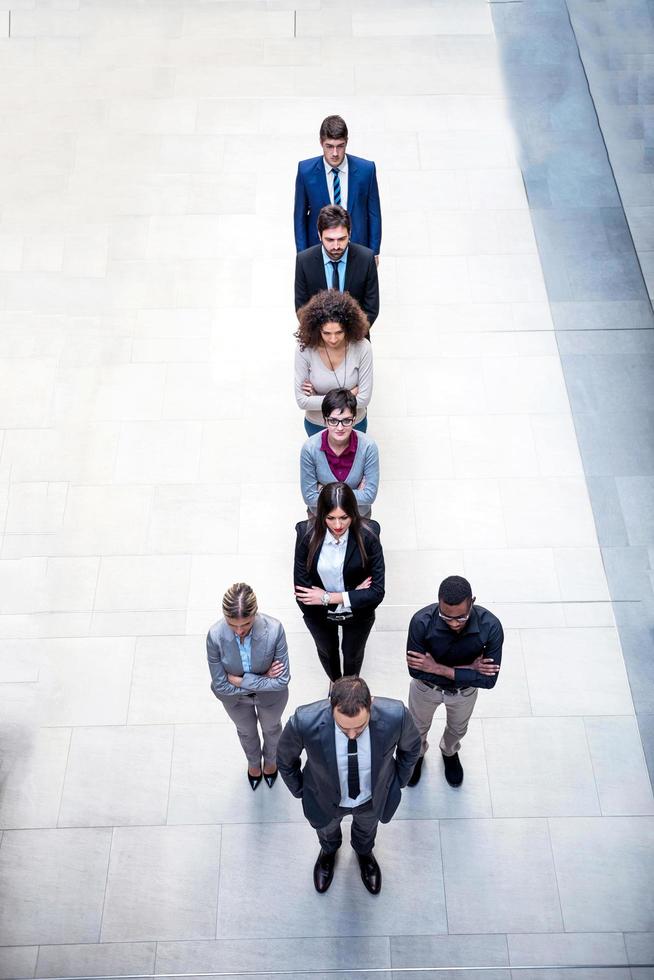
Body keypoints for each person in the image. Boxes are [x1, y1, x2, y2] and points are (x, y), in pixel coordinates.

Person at [277, 676, 419, 894]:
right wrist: (301, 791)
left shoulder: (396, 715)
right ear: (330, 707)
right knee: (326, 831)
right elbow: (285, 760)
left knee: (367, 830)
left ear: (371, 704)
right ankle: (328, 853)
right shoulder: (304, 721)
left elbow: (410, 748)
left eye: (360, 727)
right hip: (323, 798)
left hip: (371, 798)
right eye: (343, 728)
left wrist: (397, 781)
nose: (352, 735)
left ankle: (364, 853)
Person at [405, 575, 503, 788]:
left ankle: (449, 752)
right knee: (417, 727)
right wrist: (470, 668)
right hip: (425, 689)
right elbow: (416, 671)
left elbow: (489, 680)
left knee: (458, 729)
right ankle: (418, 754)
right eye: (446, 617)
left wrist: (436, 667)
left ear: (472, 602)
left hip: (464, 693)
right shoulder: (421, 621)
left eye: (461, 617)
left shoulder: (491, 626)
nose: (454, 623)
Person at [294, 482, 385, 682]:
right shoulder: (305, 534)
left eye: (344, 517)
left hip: (358, 614)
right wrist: (356, 595)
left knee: (353, 655)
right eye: (331, 518)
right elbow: (303, 593)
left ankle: (351, 688)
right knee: (327, 653)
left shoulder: (369, 535)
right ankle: (336, 684)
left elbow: (377, 592)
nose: (337, 525)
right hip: (319, 616)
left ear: (353, 513)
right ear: (321, 516)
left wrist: (328, 597)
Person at [206, 583, 290, 791]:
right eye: (233, 625)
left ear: (255, 612)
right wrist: (263, 678)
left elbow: (282, 679)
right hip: (235, 700)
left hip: (272, 697)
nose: (240, 630)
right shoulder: (215, 637)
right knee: (246, 731)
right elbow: (221, 686)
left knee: (272, 729)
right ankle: (254, 763)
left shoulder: (275, 630)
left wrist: (241, 680)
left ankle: (271, 761)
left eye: (246, 623)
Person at [293, 114, 382, 258]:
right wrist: (303, 255)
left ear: (346, 142)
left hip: (357, 248)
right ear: (321, 143)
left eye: (340, 146)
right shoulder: (305, 171)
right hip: (319, 249)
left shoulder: (367, 170)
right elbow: (299, 217)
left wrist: (374, 251)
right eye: (329, 146)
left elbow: (374, 213)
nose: (335, 153)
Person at [295, 289, 373, 436]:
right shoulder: (304, 349)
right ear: (317, 329)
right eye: (326, 333)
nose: (333, 339)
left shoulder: (362, 347)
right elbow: (302, 402)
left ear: (348, 328)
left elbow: (363, 399)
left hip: (354, 426)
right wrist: (350, 394)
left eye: (339, 332)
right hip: (317, 425)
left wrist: (317, 397)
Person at [295, 205, 379, 328]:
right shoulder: (304, 261)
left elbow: (371, 308)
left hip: (356, 338)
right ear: (319, 235)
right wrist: (326, 336)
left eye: (341, 239)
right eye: (329, 240)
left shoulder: (366, 259)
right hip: (317, 340)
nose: (336, 246)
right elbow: (302, 308)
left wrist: (348, 337)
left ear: (349, 233)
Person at [300, 389, 379, 517]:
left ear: (354, 420)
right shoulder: (310, 448)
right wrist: (355, 493)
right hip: (321, 518)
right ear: (325, 421)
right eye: (333, 421)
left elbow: (369, 496)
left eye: (346, 421)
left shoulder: (368, 447)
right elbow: (309, 497)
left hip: (358, 517)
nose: (340, 427)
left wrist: (324, 491)